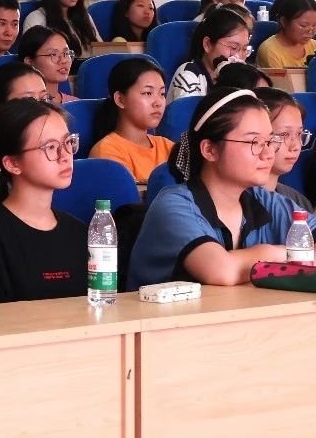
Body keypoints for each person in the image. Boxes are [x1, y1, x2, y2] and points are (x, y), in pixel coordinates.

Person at [128, 87, 299, 289]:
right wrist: (290, 252)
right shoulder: (173, 205)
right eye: (254, 141)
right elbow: (222, 270)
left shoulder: (265, 201)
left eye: (270, 141)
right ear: (209, 149)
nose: (268, 153)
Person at [0, 98, 87, 307]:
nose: (65, 156)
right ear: (13, 163)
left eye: (68, 142)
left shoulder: (78, 231)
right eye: (51, 147)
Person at [88, 57, 174, 185]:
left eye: (162, 94)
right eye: (147, 93)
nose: (158, 103)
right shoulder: (106, 152)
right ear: (120, 99)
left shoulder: (168, 147)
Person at [0, 62, 52, 186]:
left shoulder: (57, 143)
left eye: (44, 98)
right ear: (0, 110)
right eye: (28, 100)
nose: (41, 107)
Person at [169, 7, 254, 101]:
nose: (239, 56)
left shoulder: (243, 78)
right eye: (233, 47)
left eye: (245, 49)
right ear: (207, 44)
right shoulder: (188, 75)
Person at [252, 88, 315, 212]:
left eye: (299, 134)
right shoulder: (237, 204)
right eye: (284, 134)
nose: (295, 146)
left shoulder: (299, 203)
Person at [19, 25, 77, 106]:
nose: (64, 61)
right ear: (29, 62)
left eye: (66, 53)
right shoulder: (21, 107)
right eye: (53, 54)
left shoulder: (77, 104)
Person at [256, 0, 316, 68]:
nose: (311, 31)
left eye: (315, 25)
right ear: (283, 21)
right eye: (303, 25)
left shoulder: (313, 45)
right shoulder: (270, 51)